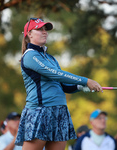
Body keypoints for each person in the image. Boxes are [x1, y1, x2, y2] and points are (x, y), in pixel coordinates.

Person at [14, 18, 103, 150]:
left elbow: (62, 84)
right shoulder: (30, 56)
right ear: (29, 34)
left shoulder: (50, 58)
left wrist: (80, 87)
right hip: (40, 111)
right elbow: (56, 74)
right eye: (39, 29)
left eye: (45, 29)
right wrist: (86, 81)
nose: (44, 32)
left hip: (60, 111)